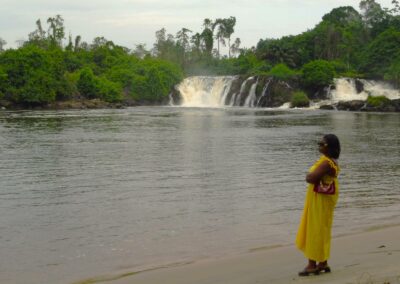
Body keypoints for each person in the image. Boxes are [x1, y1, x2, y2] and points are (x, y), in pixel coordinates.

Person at [295, 134, 341, 276]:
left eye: (322, 143)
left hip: (320, 200)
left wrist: (309, 175)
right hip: (324, 199)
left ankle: (312, 264)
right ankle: (323, 262)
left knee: (314, 229)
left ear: (329, 147)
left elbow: (311, 178)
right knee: (322, 229)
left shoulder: (327, 163)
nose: (319, 145)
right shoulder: (331, 161)